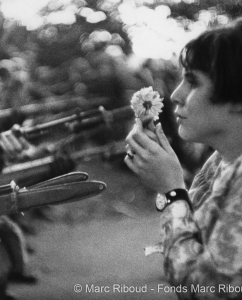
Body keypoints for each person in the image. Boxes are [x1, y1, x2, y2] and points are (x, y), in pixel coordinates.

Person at [125, 17, 242, 299]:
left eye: (192, 81)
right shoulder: (220, 161)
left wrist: (171, 191)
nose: (176, 95)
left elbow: (210, 290)